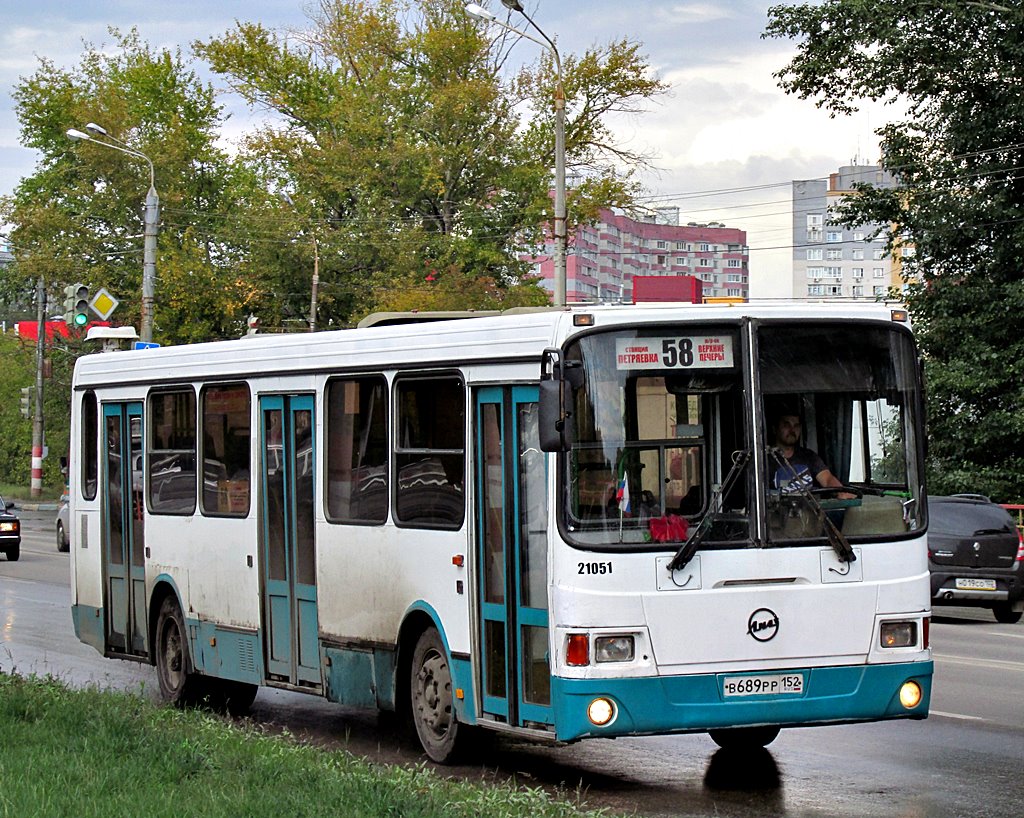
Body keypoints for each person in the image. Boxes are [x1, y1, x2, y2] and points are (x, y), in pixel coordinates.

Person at [770, 413, 845, 494]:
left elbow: (827, 479)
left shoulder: (809, 456)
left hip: (809, 506)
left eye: (796, 426)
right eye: (787, 425)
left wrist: (841, 492)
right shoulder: (765, 460)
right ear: (775, 429)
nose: (792, 430)